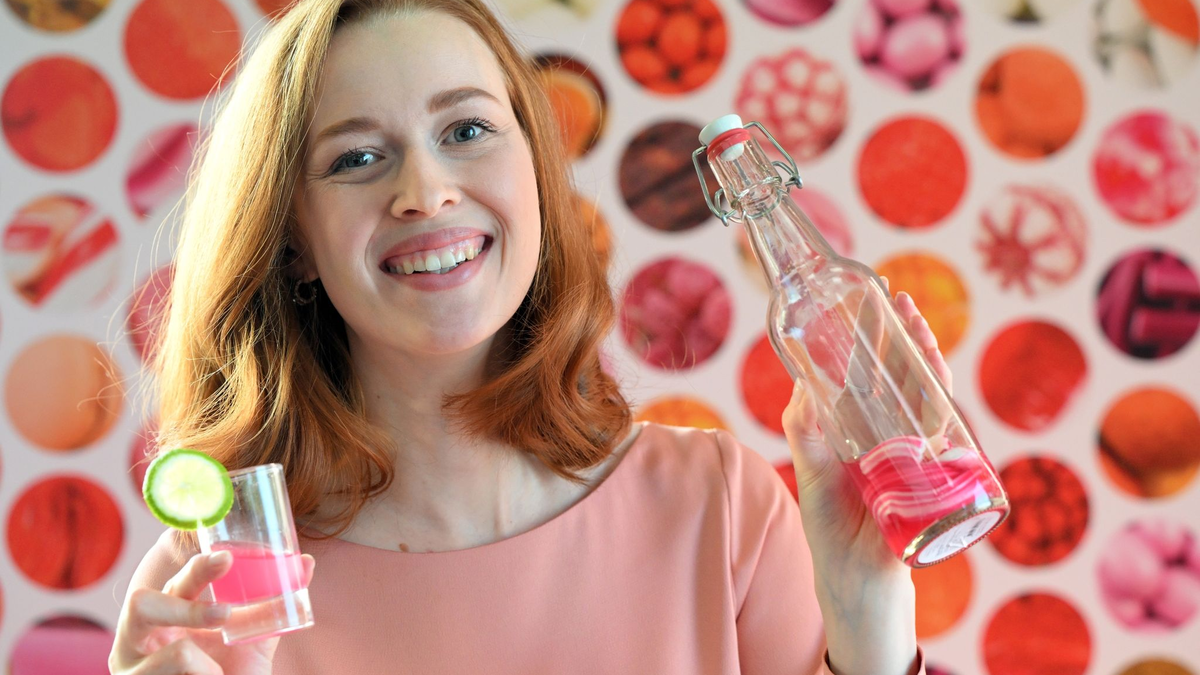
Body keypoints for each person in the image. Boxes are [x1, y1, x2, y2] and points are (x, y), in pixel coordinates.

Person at [110, 0, 950, 672]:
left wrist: (867, 611)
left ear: (536, 175)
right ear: (293, 240)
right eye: (358, 158)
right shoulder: (223, 578)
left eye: (467, 131)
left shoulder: (722, 508)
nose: (425, 192)